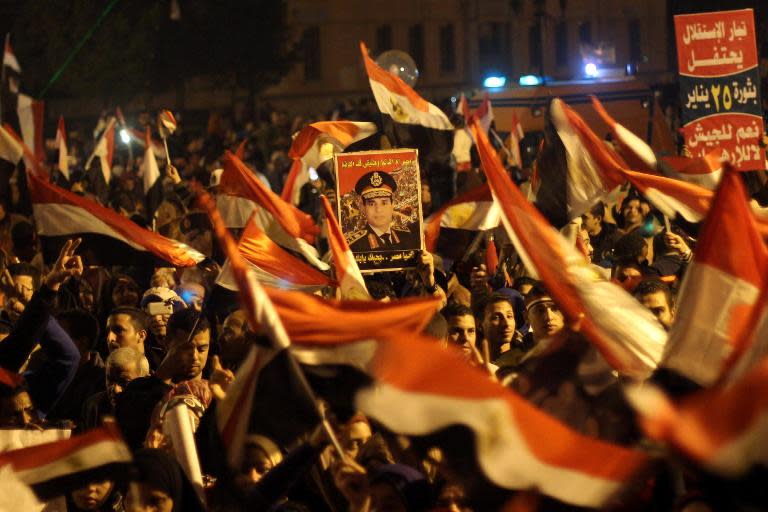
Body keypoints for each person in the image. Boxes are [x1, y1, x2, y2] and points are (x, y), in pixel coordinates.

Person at [347, 170, 419, 252]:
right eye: (372, 204)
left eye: (384, 203)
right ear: (363, 208)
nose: (379, 210)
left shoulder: (407, 236)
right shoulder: (353, 246)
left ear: (392, 205)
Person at [82, 346, 149, 430]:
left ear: (146, 380)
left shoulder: (154, 414)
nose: (116, 389)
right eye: (110, 380)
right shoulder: (92, 407)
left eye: (125, 382)